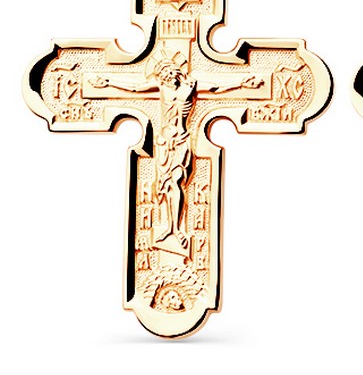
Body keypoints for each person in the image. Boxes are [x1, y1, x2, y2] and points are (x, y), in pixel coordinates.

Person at [91, 53, 262, 249]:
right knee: (165, 187)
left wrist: (242, 84)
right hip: (164, 144)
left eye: (168, 72)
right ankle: (168, 227)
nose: (166, 77)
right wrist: (108, 83)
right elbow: (135, 88)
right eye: (163, 75)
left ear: (175, 71)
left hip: (181, 142)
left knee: (177, 181)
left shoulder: (191, 86)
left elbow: (216, 88)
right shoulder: (161, 87)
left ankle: (177, 228)